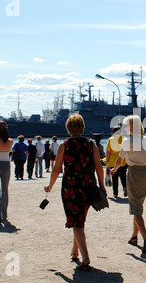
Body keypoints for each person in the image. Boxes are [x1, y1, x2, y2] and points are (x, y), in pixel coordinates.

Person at [45, 114, 107, 272]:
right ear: (83, 127)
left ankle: (85, 257)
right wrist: (102, 185)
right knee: (79, 219)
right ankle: (74, 252)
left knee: (75, 220)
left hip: (70, 187)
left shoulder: (63, 145)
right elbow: (98, 166)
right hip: (88, 186)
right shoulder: (91, 143)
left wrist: (50, 186)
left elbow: (57, 169)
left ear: (68, 128)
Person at [111, 115, 146, 253]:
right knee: (138, 206)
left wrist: (114, 169)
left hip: (133, 174)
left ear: (131, 126)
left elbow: (120, 160)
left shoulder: (126, 141)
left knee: (135, 208)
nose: (124, 128)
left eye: (126, 125)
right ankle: (134, 236)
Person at [105, 126, 127, 198]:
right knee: (123, 176)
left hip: (112, 162)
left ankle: (115, 193)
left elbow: (108, 152)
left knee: (114, 178)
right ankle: (125, 187)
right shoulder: (125, 139)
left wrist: (107, 160)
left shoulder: (110, 139)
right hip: (122, 161)